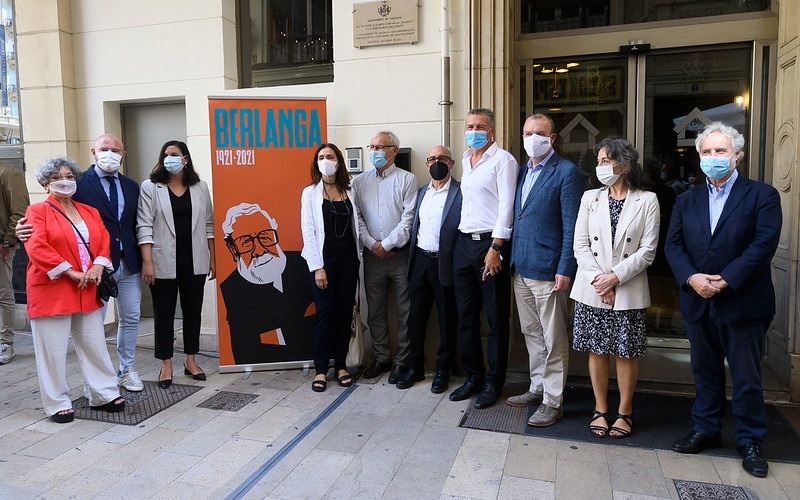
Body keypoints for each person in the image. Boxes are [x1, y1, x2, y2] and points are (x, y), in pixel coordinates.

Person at [665, 122, 781, 478]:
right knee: (704, 370)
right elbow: (673, 245)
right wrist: (692, 277)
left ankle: (749, 441)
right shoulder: (686, 199)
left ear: (738, 155)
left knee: (746, 377)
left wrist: (726, 279)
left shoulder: (762, 195)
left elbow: (763, 245)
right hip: (698, 300)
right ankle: (707, 429)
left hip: (742, 301)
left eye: (721, 151)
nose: (713, 158)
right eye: (706, 152)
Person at [16, 134, 144, 392]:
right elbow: (41, 232)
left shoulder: (131, 186)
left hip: (122, 262)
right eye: (104, 149)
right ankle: (89, 385)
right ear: (94, 152)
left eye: (115, 149)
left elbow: (127, 225)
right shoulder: (79, 183)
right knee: (81, 333)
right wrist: (19, 232)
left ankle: (123, 372)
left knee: (125, 320)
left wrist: (103, 262)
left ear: (123, 154)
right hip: (78, 275)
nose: (110, 153)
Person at [571, 137, 660, 438]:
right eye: (598, 161)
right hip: (593, 288)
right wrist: (600, 280)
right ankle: (599, 408)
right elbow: (580, 246)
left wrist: (615, 278)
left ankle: (625, 411)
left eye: (606, 161)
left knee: (625, 352)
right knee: (596, 350)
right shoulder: (589, 198)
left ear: (625, 164)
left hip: (627, 287)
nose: (601, 167)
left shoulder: (647, 200)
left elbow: (648, 251)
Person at [25, 157, 125, 423]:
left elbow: (103, 239)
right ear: (46, 183)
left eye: (69, 175)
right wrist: (70, 271)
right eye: (57, 176)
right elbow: (37, 247)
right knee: (52, 350)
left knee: (94, 343)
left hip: (87, 286)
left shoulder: (89, 210)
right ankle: (57, 402)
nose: (64, 180)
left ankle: (103, 394)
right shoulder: (36, 212)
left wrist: (98, 267)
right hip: (53, 287)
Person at [505, 114, 583, 427]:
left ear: (552, 138)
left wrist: (566, 267)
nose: (532, 138)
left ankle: (553, 400)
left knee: (553, 338)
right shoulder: (523, 171)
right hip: (520, 266)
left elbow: (571, 226)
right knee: (531, 333)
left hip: (549, 271)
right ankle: (537, 386)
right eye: (527, 132)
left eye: (539, 133)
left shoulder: (567, 172)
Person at [449, 108, 519, 409]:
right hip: (464, 245)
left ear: (492, 131)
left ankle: (494, 381)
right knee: (465, 317)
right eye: (469, 126)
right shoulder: (467, 159)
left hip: (490, 246)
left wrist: (497, 246)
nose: (473, 131)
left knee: (495, 318)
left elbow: (507, 206)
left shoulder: (503, 161)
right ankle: (474, 376)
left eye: (479, 126)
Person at [137, 140, 215, 389]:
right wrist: (147, 262)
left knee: (193, 313)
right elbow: (144, 225)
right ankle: (166, 364)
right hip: (161, 261)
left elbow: (209, 225)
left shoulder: (200, 187)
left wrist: (213, 257)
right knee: (164, 314)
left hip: (195, 260)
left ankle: (191, 360)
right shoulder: (151, 187)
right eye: (165, 155)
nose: (169, 158)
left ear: (185, 159)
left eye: (175, 154)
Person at [352, 130, 418, 382]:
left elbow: (408, 218)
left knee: (405, 311)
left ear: (393, 150)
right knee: (376, 311)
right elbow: (356, 217)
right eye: (371, 147)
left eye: (380, 147)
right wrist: (372, 245)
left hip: (400, 257)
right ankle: (381, 358)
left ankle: (402, 361)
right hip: (372, 257)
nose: (375, 152)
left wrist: (388, 245)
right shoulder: (359, 182)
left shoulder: (407, 179)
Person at [396, 146, 461, 393]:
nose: (437, 163)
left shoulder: (460, 192)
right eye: (432, 159)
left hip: (445, 264)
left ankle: (444, 369)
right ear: (426, 164)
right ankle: (415, 367)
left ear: (451, 163)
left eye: (442, 159)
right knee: (416, 318)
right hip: (420, 261)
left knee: (447, 319)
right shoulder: (422, 192)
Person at [220, 203, 316, 365]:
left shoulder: (304, 264)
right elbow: (246, 355)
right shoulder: (233, 290)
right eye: (246, 242)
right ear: (232, 249)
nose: (259, 249)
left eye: (265, 236)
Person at [300, 143, 361, 392]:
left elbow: (358, 225)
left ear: (339, 161)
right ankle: (321, 369)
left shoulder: (350, 189)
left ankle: (341, 365)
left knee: (345, 314)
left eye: (330, 156)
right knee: (325, 314)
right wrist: (317, 267)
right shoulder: (310, 193)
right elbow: (308, 231)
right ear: (317, 163)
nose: (326, 160)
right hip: (324, 264)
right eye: (322, 157)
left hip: (349, 263)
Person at [0, 161, 29, 364]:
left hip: (1, 245)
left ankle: (5, 343)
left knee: (3, 294)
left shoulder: (8, 173)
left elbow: (20, 212)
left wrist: (7, 242)